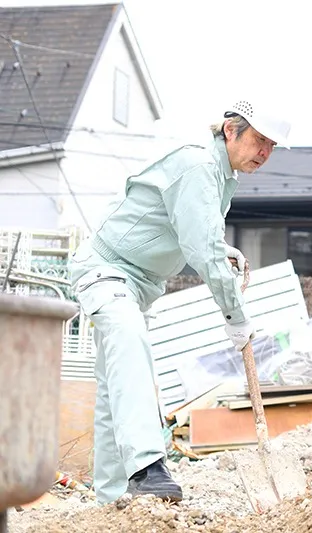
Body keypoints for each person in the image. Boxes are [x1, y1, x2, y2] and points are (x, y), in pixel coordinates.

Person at [67, 98, 291, 505]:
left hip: (138, 281)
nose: (264, 152)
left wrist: (220, 248)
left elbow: (191, 228)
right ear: (230, 130)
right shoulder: (200, 166)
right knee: (131, 343)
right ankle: (148, 469)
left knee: (112, 388)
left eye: (272, 145)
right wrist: (236, 316)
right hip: (108, 269)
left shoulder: (222, 175)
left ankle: (111, 499)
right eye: (259, 139)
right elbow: (199, 247)